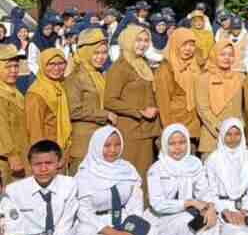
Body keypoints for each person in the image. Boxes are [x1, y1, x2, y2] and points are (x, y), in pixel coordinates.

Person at [74, 126, 161, 235]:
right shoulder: (85, 174)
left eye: (117, 145)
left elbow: (135, 203)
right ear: (97, 146)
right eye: (106, 146)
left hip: (124, 220)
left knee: (151, 230)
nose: (112, 150)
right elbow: (84, 212)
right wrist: (114, 233)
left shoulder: (127, 169)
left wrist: (133, 228)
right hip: (99, 225)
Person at [147, 124, 219, 235]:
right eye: (172, 143)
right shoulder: (157, 168)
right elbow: (158, 204)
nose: (178, 147)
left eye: (182, 142)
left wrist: (210, 207)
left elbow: (204, 191)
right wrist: (188, 203)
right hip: (162, 216)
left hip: (189, 210)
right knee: (184, 221)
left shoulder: (194, 163)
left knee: (211, 219)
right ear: (164, 144)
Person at [104, 25, 161, 196]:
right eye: (138, 40)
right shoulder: (120, 67)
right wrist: (139, 111)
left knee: (145, 175)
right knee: (132, 176)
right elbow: (110, 100)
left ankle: (144, 213)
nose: (142, 45)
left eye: (145, 41)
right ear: (128, 41)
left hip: (145, 131)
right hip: (130, 130)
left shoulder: (142, 64)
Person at [65, 28, 112, 175]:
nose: (101, 57)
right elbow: (74, 110)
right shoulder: (76, 77)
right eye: (96, 53)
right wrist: (104, 115)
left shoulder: (101, 74)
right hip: (83, 142)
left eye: (104, 53)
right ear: (86, 52)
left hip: (101, 138)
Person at [154, 28, 201, 150]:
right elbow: (163, 102)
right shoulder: (166, 69)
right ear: (175, 45)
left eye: (191, 45)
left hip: (193, 123)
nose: (188, 49)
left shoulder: (195, 64)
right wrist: (169, 130)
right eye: (184, 45)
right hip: (175, 124)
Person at [26, 49, 72, 163]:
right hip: (48, 150)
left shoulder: (62, 86)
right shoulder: (37, 93)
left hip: (64, 148)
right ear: (42, 65)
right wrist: (44, 157)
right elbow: (35, 130)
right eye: (51, 64)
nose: (56, 68)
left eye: (60, 63)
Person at [0, 45, 28, 185]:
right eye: (8, 66)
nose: (13, 71)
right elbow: (2, 128)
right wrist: (11, 155)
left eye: (16, 66)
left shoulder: (14, 90)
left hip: (21, 152)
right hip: (7, 160)